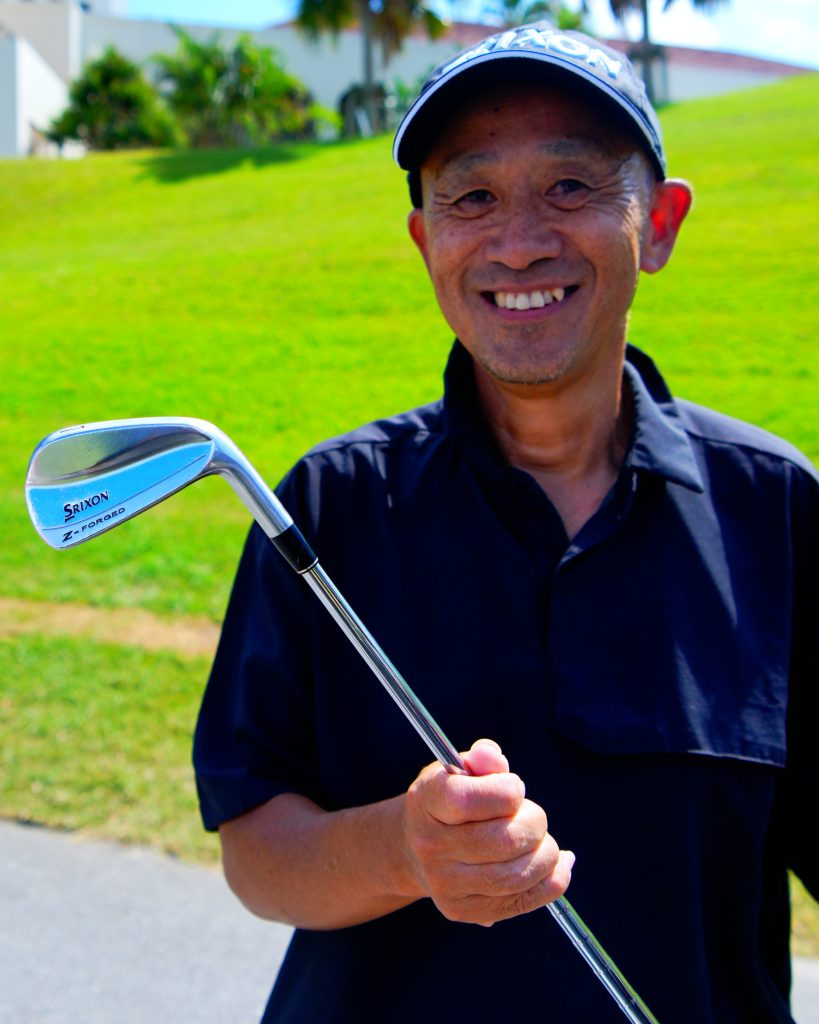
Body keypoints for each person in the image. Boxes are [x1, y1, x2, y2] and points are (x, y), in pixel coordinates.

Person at [193, 22, 818, 1024]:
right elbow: (256, 849)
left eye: (569, 186)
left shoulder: (777, 508)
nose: (519, 241)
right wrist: (405, 848)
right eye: (472, 197)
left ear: (658, 224)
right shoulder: (327, 506)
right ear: (425, 241)